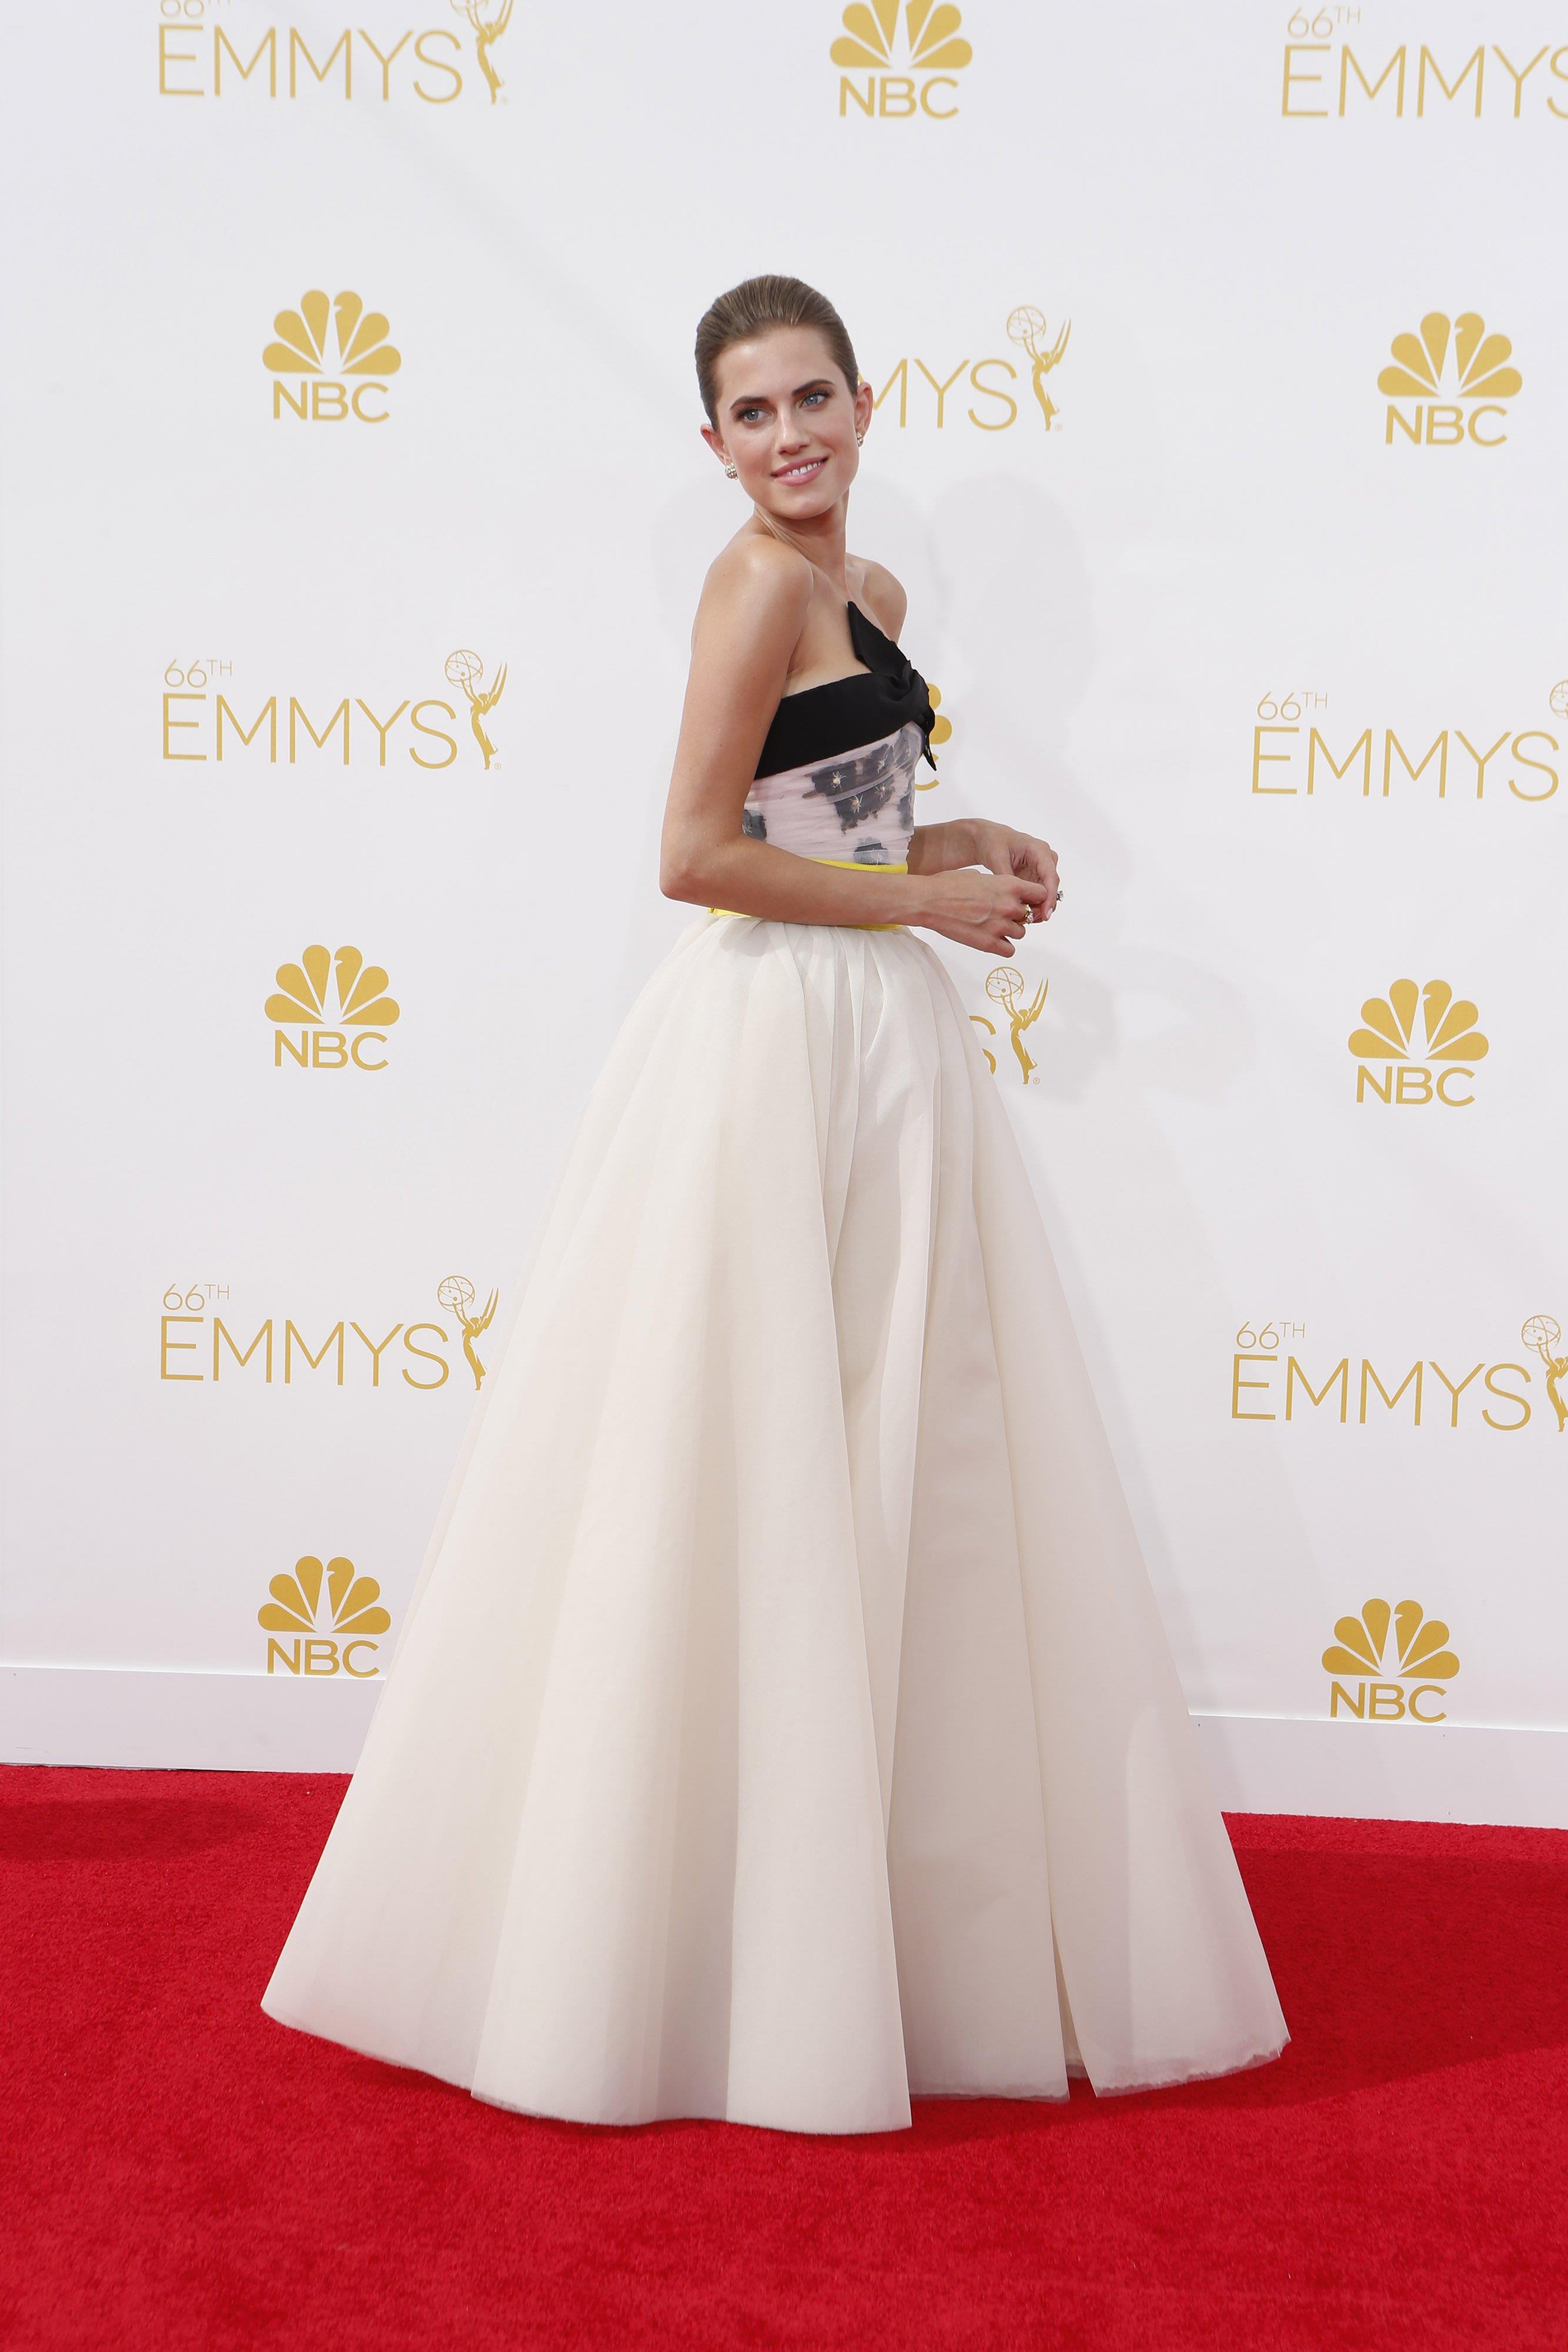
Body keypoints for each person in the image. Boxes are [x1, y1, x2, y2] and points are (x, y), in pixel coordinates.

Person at [261, 275, 1288, 2133]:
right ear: (713, 442)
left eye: (813, 397)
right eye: (753, 412)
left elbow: (827, 824)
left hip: (876, 1045)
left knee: (891, 1453)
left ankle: (853, 1924)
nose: (790, 435)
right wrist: (920, 904)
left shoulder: (866, 591)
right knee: (746, 1455)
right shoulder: (751, 585)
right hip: (771, 1047)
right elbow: (692, 854)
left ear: (866, 405)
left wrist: (954, 842)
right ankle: (666, 1941)